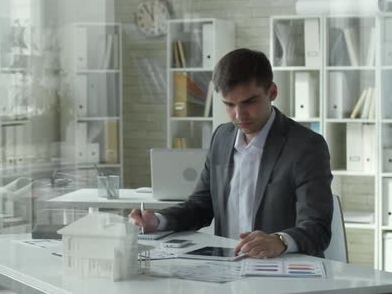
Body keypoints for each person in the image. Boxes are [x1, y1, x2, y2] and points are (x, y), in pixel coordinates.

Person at [129, 48, 333, 258]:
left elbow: (318, 228)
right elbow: (200, 206)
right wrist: (158, 221)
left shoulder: (306, 146)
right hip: (227, 269)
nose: (239, 115)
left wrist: (279, 240)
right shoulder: (222, 137)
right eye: (229, 104)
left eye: (249, 102)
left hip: (283, 272)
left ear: (272, 92)